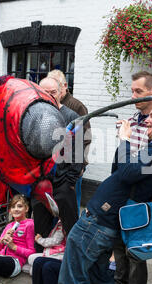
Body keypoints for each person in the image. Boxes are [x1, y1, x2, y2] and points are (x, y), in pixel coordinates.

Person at [58, 104, 152, 284]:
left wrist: (125, 140)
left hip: (99, 221)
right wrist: (124, 144)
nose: (147, 120)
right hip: (105, 220)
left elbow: (126, 172)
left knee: (72, 282)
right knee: (100, 280)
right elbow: (120, 171)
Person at [113, 71, 152, 284]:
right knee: (119, 242)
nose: (133, 96)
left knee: (136, 246)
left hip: (141, 192)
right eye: (132, 91)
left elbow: (147, 161)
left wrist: (126, 141)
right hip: (123, 188)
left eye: (138, 91)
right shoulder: (132, 119)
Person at [32, 77, 84, 251]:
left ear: (61, 92)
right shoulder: (34, 115)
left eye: (52, 92)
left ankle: (72, 261)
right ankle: (38, 259)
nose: (48, 96)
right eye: (44, 92)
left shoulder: (72, 117)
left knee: (70, 227)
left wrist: (69, 182)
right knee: (40, 226)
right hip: (40, 182)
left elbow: (77, 153)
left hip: (63, 182)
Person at [47, 69, 91, 214]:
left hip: (72, 166)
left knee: (71, 203)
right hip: (54, 165)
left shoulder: (76, 106)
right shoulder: (46, 105)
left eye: (56, 86)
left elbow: (85, 136)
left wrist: (81, 164)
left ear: (64, 86)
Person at [27, 216, 66, 284]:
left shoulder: (67, 222)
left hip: (59, 255)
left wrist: (40, 240)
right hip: (52, 252)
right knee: (37, 262)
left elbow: (55, 241)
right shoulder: (59, 220)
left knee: (47, 267)